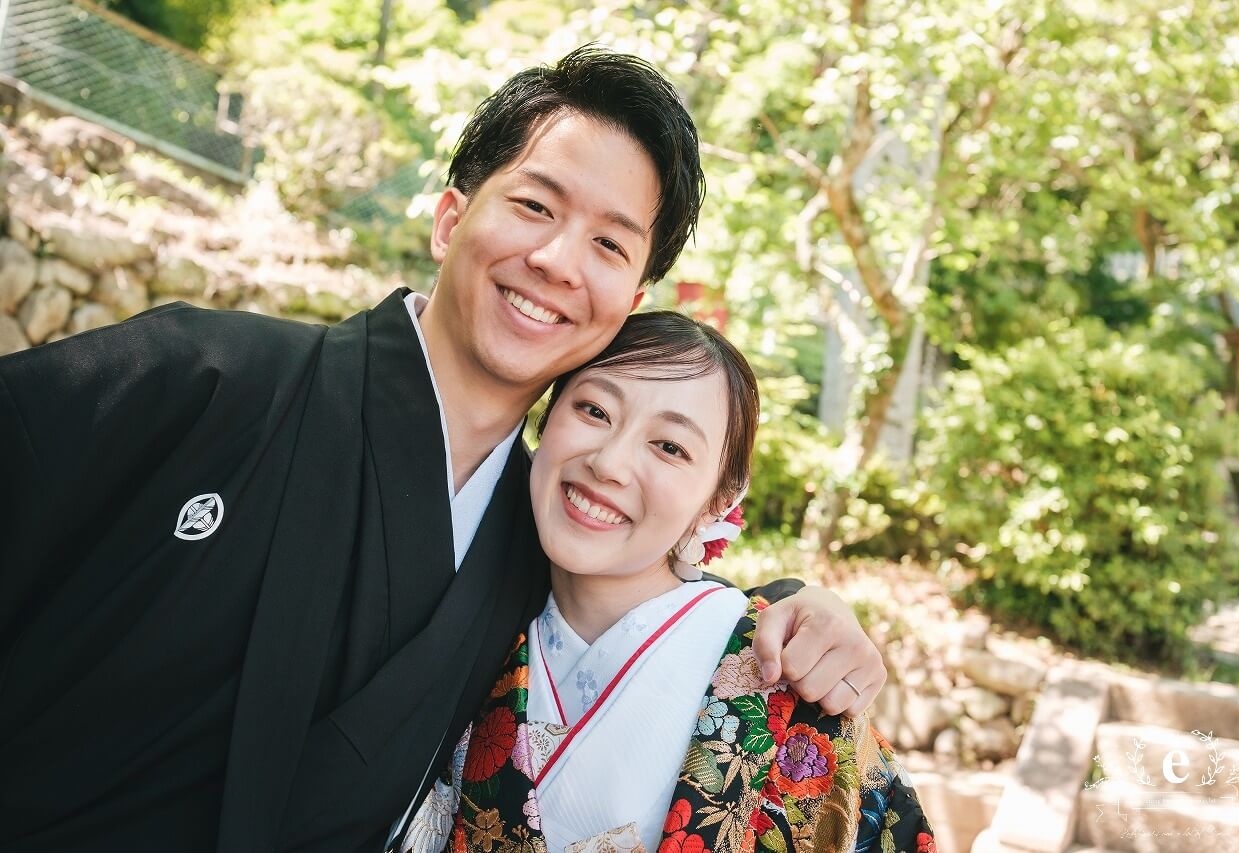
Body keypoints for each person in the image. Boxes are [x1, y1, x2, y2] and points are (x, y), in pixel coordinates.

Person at [0, 49, 887, 853]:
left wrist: (792, 610)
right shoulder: (203, 377)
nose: (557, 259)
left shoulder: (531, 558)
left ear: (630, 296)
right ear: (449, 218)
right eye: (535, 205)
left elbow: (648, 600)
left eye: (609, 244)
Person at [399, 311, 932, 853]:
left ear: (717, 505)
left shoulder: (786, 675)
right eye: (594, 409)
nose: (610, 463)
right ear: (545, 418)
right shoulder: (466, 618)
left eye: (670, 447)